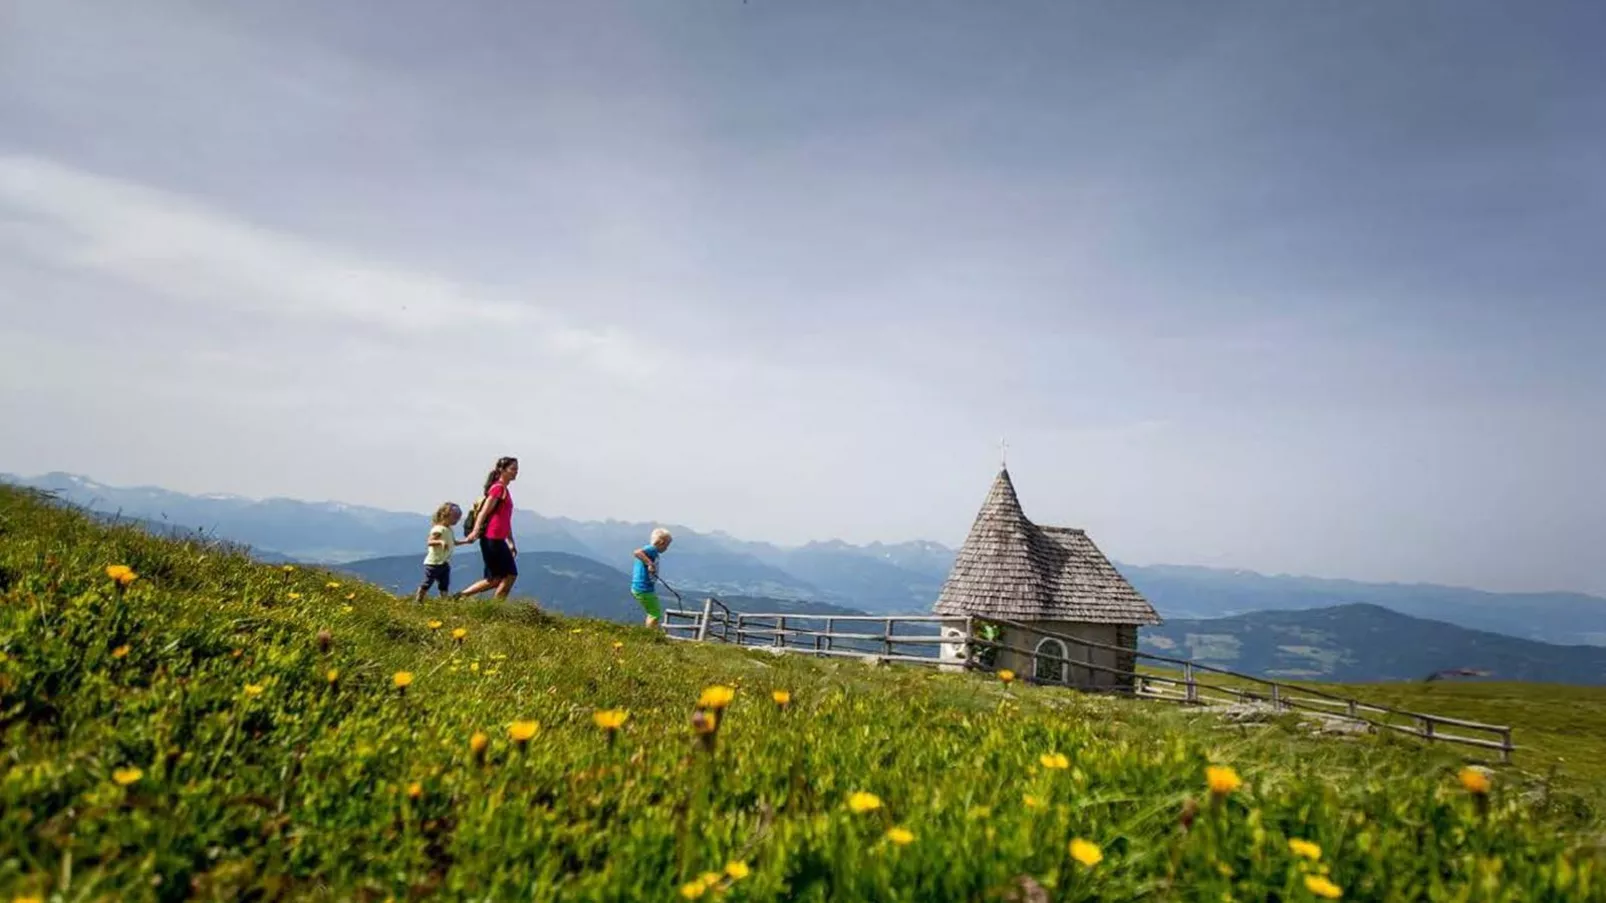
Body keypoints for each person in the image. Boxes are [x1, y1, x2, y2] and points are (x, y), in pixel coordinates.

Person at [457, 457, 520, 602]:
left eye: (517, 469)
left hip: (497, 538)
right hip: (492, 538)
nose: (516, 472)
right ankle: (495, 609)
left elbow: (505, 519)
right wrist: (475, 531)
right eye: (513, 469)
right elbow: (483, 512)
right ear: (502, 470)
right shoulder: (498, 488)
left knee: (496, 578)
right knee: (509, 575)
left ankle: (459, 597)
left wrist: (510, 541)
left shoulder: (504, 489)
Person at [414, 502, 468, 603]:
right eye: (455, 517)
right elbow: (430, 541)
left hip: (443, 562)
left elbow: (454, 542)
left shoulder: (448, 529)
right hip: (433, 563)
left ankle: (444, 602)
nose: (456, 520)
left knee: (444, 584)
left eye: (458, 518)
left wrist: (466, 541)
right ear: (445, 516)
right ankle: (418, 600)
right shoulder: (438, 529)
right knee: (427, 582)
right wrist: (440, 541)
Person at [631, 527, 673, 629]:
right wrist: (649, 563)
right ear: (661, 542)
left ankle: (649, 632)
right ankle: (649, 634)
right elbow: (636, 552)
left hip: (643, 587)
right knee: (655, 613)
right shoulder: (652, 549)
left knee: (653, 611)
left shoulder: (651, 550)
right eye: (666, 545)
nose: (666, 548)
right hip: (643, 588)